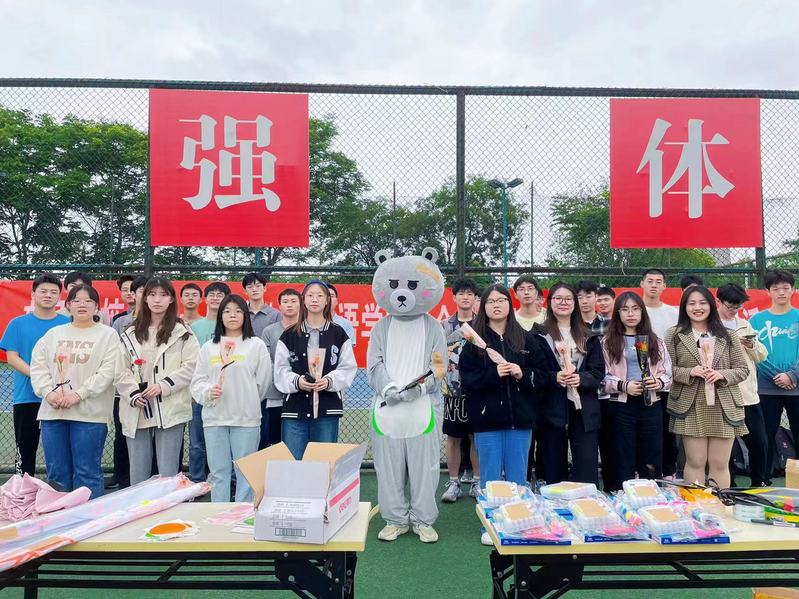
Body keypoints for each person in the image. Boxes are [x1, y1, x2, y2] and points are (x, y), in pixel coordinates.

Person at [459, 285, 536, 544]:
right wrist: (494, 374)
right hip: (487, 421)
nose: (496, 305)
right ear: (483, 307)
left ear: (509, 304)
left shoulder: (525, 339)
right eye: (490, 301)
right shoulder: (473, 343)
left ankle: (519, 523)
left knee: (517, 477)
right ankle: (491, 525)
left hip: (520, 421)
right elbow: (467, 380)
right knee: (490, 477)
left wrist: (522, 373)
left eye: (501, 300)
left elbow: (543, 375)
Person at [29, 284, 120, 499]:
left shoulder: (107, 335)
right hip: (54, 413)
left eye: (88, 301)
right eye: (76, 300)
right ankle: (58, 517)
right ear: (68, 305)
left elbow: (108, 372)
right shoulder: (53, 334)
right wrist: (48, 393)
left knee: (87, 472)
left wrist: (79, 394)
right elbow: (38, 367)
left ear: (97, 307)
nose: (82, 304)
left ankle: (89, 518)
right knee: (57, 475)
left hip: (90, 415)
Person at [116, 278, 199, 486]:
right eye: (152, 295)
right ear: (144, 299)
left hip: (170, 406)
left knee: (168, 474)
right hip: (138, 406)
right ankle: (139, 507)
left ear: (171, 299)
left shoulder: (183, 331)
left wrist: (164, 386)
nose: (157, 300)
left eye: (163, 295)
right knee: (138, 473)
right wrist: (132, 393)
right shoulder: (130, 332)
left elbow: (192, 365)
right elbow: (119, 369)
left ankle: (168, 506)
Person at [665, 286, 749, 488]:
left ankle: (718, 503)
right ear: (684, 307)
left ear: (711, 305)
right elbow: (666, 369)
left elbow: (742, 369)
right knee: (695, 461)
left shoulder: (728, 335)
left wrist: (722, 374)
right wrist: (689, 372)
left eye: (702, 303)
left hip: (723, 405)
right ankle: (696, 504)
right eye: (692, 303)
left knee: (719, 463)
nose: (697, 308)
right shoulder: (674, 334)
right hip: (691, 405)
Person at [191, 294, 271, 502]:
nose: (232, 315)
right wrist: (208, 392)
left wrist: (246, 399)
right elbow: (197, 382)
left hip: (246, 420)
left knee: (245, 473)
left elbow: (263, 383)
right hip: (214, 419)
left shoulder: (256, 345)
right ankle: (220, 514)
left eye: (237, 311)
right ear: (220, 316)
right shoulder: (209, 347)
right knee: (218, 473)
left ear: (245, 315)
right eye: (227, 311)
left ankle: (242, 515)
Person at [530, 282, 605, 485]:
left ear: (575, 303)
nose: (563, 302)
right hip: (551, 407)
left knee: (586, 464)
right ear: (549, 302)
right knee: (552, 465)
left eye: (568, 298)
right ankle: (553, 501)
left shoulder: (588, 335)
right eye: (558, 298)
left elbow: (598, 372)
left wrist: (581, 378)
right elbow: (533, 371)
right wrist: (554, 377)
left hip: (584, 408)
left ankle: (586, 501)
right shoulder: (537, 335)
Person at [274, 280, 357, 459]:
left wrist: (329, 381)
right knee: (293, 462)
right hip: (295, 409)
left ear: (327, 301)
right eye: (310, 295)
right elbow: (280, 369)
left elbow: (348, 367)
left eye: (320, 296)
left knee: (324, 462)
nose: (315, 299)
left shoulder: (338, 333)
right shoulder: (289, 335)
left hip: (327, 409)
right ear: (303, 300)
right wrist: (297, 382)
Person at [0, 273, 70, 476]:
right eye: (43, 291)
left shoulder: (67, 324)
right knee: (25, 450)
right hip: (27, 397)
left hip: (62, 398)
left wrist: (54, 385)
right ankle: (23, 487)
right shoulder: (17, 324)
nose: (48, 295)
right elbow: (12, 357)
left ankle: (59, 489)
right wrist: (41, 380)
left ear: (59, 296)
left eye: (53, 292)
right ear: (33, 294)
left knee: (60, 451)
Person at [601, 292, 671, 488]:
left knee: (651, 453)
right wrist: (624, 385)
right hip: (621, 405)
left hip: (651, 404)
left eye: (635, 309)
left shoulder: (655, 341)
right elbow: (602, 377)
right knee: (623, 453)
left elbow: (668, 374)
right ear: (618, 313)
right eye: (624, 309)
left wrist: (658, 382)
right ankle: (622, 494)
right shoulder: (608, 342)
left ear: (642, 312)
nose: (630, 314)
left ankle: (650, 494)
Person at [748, 270, 799, 484]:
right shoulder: (756, 320)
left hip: (796, 387)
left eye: (786, 288)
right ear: (767, 291)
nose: (781, 292)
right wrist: (777, 376)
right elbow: (753, 352)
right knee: (765, 436)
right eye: (776, 288)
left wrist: (792, 375)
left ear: (793, 290)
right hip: (766, 388)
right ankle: (763, 480)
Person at [716, 283, 769, 486]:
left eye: (738, 306)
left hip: (747, 394)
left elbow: (762, 354)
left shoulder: (744, 324)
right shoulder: (710, 324)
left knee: (759, 441)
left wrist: (751, 344)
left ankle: (758, 482)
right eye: (730, 306)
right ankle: (728, 485)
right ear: (718, 301)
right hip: (721, 393)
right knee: (724, 445)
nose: (734, 310)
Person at [441, 277, 481, 502]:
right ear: (454, 297)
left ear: (475, 298)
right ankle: (454, 482)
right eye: (461, 293)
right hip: (452, 390)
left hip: (478, 389)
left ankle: (477, 481)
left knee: (476, 436)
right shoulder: (444, 326)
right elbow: (436, 357)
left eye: (470, 293)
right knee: (453, 437)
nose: (465, 297)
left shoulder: (483, 325)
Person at [189, 281, 230, 483]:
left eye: (220, 295)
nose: (215, 298)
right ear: (205, 299)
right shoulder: (194, 328)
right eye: (212, 294)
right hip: (201, 392)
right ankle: (197, 480)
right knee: (197, 442)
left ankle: (227, 480)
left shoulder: (232, 327)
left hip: (226, 394)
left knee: (225, 441)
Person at [640, 268, 680, 479]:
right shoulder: (635, 310)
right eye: (650, 281)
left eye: (658, 281)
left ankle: (668, 473)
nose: (654, 285)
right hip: (637, 383)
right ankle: (642, 474)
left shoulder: (673, 313)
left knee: (666, 430)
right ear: (642, 284)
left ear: (665, 286)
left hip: (665, 382)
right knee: (642, 432)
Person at [260, 288, 301, 448]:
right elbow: (266, 361)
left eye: (293, 301)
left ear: (301, 304)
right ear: (279, 306)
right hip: (275, 393)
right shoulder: (269, 331)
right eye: (285, 301)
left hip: (300, 393)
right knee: (275, 440)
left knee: (296, 439)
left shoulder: (307, 329)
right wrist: (284, 377)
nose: (289, 305)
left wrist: (297, 380)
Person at [242, 272, 280, 338]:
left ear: (264, 288)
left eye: (258, 286)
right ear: (245, 291)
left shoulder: (276, 315)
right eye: (250, 287)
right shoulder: (241, 313)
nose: (254, 289)